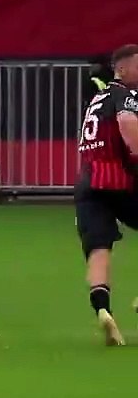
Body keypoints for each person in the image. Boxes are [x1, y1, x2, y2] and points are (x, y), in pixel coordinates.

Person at [73, 44, 138, 346]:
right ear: (122, 69)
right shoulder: (124, 95)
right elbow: (127, 125)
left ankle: (102, 309)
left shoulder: (95, 99)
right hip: (118, 180)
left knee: (98, 248)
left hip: (88, 183)